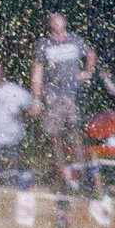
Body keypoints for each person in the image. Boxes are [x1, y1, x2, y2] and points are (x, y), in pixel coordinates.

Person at [31, 12, 97, 189]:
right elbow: (37, 72)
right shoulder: (44, 44)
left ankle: (83, 177)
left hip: (73, 94)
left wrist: (87, 72)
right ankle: (63, 176)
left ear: (65, 22)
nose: (57, 23)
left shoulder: (75, 40)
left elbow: (91, 54)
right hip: (53, 95)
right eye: (53, 20)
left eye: (60, 20)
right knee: (55, 136)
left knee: (76, 134)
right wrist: (36, 99)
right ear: (50, 24)